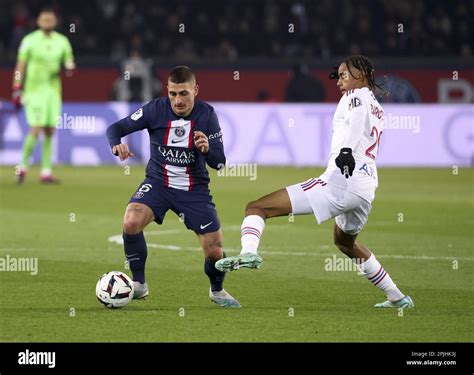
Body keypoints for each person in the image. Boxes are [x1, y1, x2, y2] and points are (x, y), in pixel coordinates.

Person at [216, 56, 414, 309]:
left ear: (361, 75)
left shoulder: (354, 97)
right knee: (345, 242)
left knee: (256, 207)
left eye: (344, 75)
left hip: (342, 179)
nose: (339, 81)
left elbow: (353, 125)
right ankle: (397, 297)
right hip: (366, 185)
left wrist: (344, 151)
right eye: (338, 75)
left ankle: (248, 253)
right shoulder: (376, 105)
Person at [106, 66, 240, 308]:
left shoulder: (207, 115)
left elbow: (219, 163)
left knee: (215, 253)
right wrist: (116, 145)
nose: (178, 100)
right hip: (158, 183)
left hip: (194, 189)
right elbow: (115, 128)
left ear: (195, 90)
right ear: (167, 91)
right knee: (131, 221)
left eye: (184, 94)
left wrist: (207, 148)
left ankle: (217, 291)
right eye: (173, 94)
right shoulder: (154, 109)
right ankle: (139, 284)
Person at [13, 8, 75, 183]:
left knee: (49, 130)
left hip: (53, 92)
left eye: (50, 18)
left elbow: (69, 62)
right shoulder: (29, 40)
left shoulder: (62, 41)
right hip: (33, 91)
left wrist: (69, 69)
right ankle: (22, 167)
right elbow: (20, 66)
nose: (47, 21)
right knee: (36, 128)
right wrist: (17, 87)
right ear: (38, 21)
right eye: (44, 18)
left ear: (55, 21)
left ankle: (46, 172)